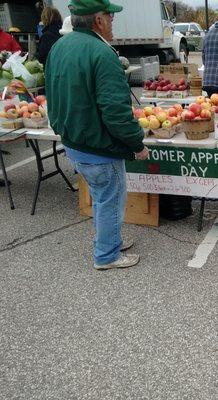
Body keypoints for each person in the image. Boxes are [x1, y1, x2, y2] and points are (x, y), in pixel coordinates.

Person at [45, 0, 149, 270]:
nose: (113, 23)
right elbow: (115, 112)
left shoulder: (60, 46)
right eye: (111, 17)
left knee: (103, 197)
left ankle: (108, 240)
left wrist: (60, 128)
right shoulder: (102, 54)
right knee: (110, 199)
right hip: (98, 146)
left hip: (74, 141)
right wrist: (137, 143)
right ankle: (107, 255)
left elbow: (51, 95)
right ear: (99, 20)